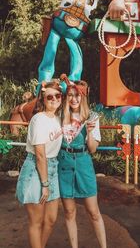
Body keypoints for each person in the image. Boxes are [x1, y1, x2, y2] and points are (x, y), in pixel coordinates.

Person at [58, 74, 106, 248]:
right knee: (69, 212)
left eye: (77, 95)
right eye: (70, 95)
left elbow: (93, 149)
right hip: (64, 163)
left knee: (93, 212)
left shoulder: (91, 117)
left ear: (83, 96)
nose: (74, 98)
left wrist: (91, 132)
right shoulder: (60, 115)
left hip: (83, 163)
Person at [16, 80, 63, 248]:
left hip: (53, 168)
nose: (54, 99)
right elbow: (40, 155)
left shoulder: (57, 119)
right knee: (36, 221)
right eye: (49, 96)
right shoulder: (38, 119)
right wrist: (45, 184)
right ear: (43, 99)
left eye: (57, 95)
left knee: (51, 219)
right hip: (36, 171)